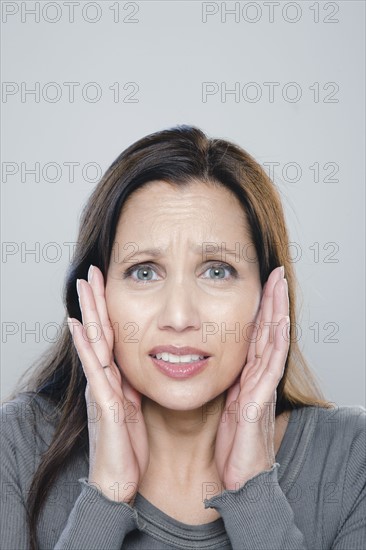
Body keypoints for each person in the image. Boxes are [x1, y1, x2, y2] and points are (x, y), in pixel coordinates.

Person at [1, 125, 364, 550]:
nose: (179, 317)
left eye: (217, 270)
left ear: (268, 295)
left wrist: (254, 494)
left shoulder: (352, 459)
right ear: (95, 295)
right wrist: (105, 498)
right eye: (144, 271)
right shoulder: (16, 448)